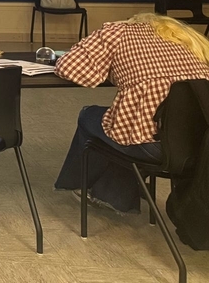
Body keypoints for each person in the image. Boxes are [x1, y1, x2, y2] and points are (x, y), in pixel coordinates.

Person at [54, 13, 209, 213]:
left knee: (95, 117)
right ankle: (111, 195)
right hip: (199, 145)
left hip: (157, 146)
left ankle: (77, 184)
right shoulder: (188, 39)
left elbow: (69, 68)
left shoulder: (117, 32)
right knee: (128, 125)